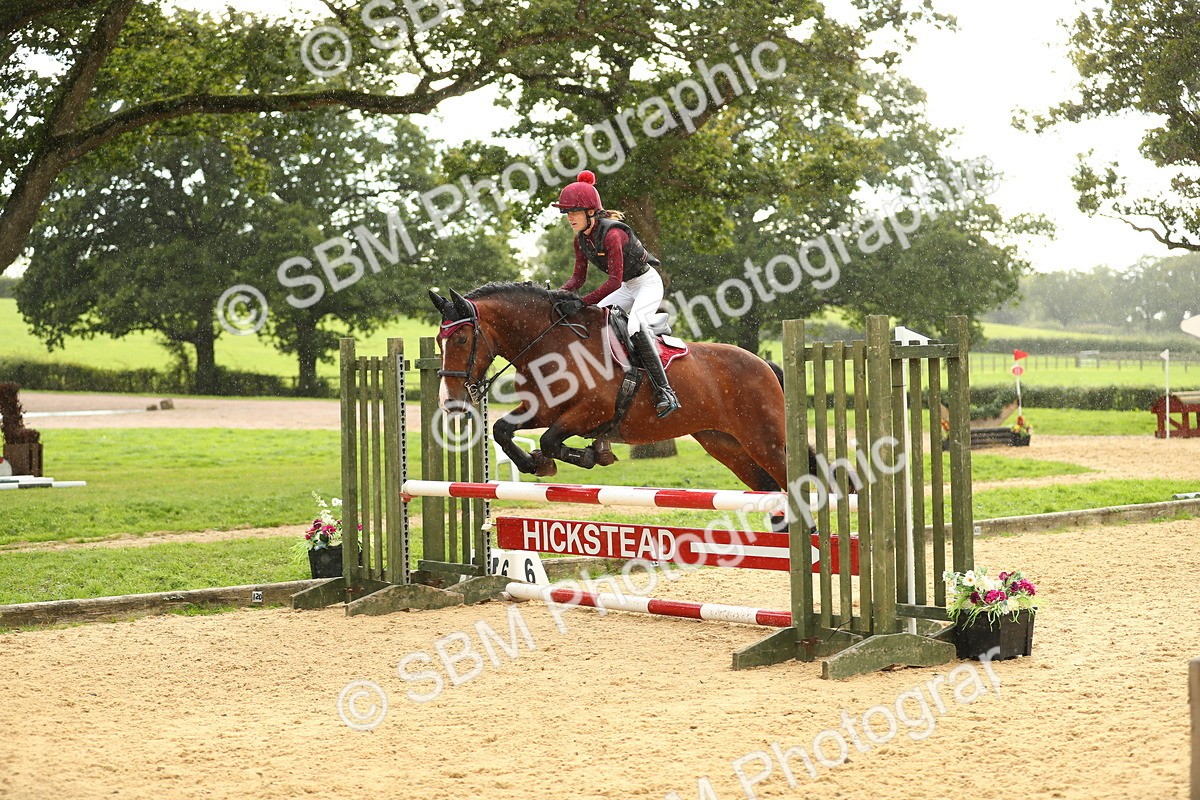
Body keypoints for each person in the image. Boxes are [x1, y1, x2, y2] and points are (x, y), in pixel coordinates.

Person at [551, 170, 680, 418]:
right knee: (593, 318)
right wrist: (557, 296)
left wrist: (580, 303)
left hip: (646, 283)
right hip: (625, 287)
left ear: (591, 212)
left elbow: (612, 282)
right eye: (567, 213)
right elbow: (578, 279)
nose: (570, 218)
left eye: (574, 212)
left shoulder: (613, 235)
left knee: (634, 327)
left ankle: (665, 392)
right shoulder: (581, 241)